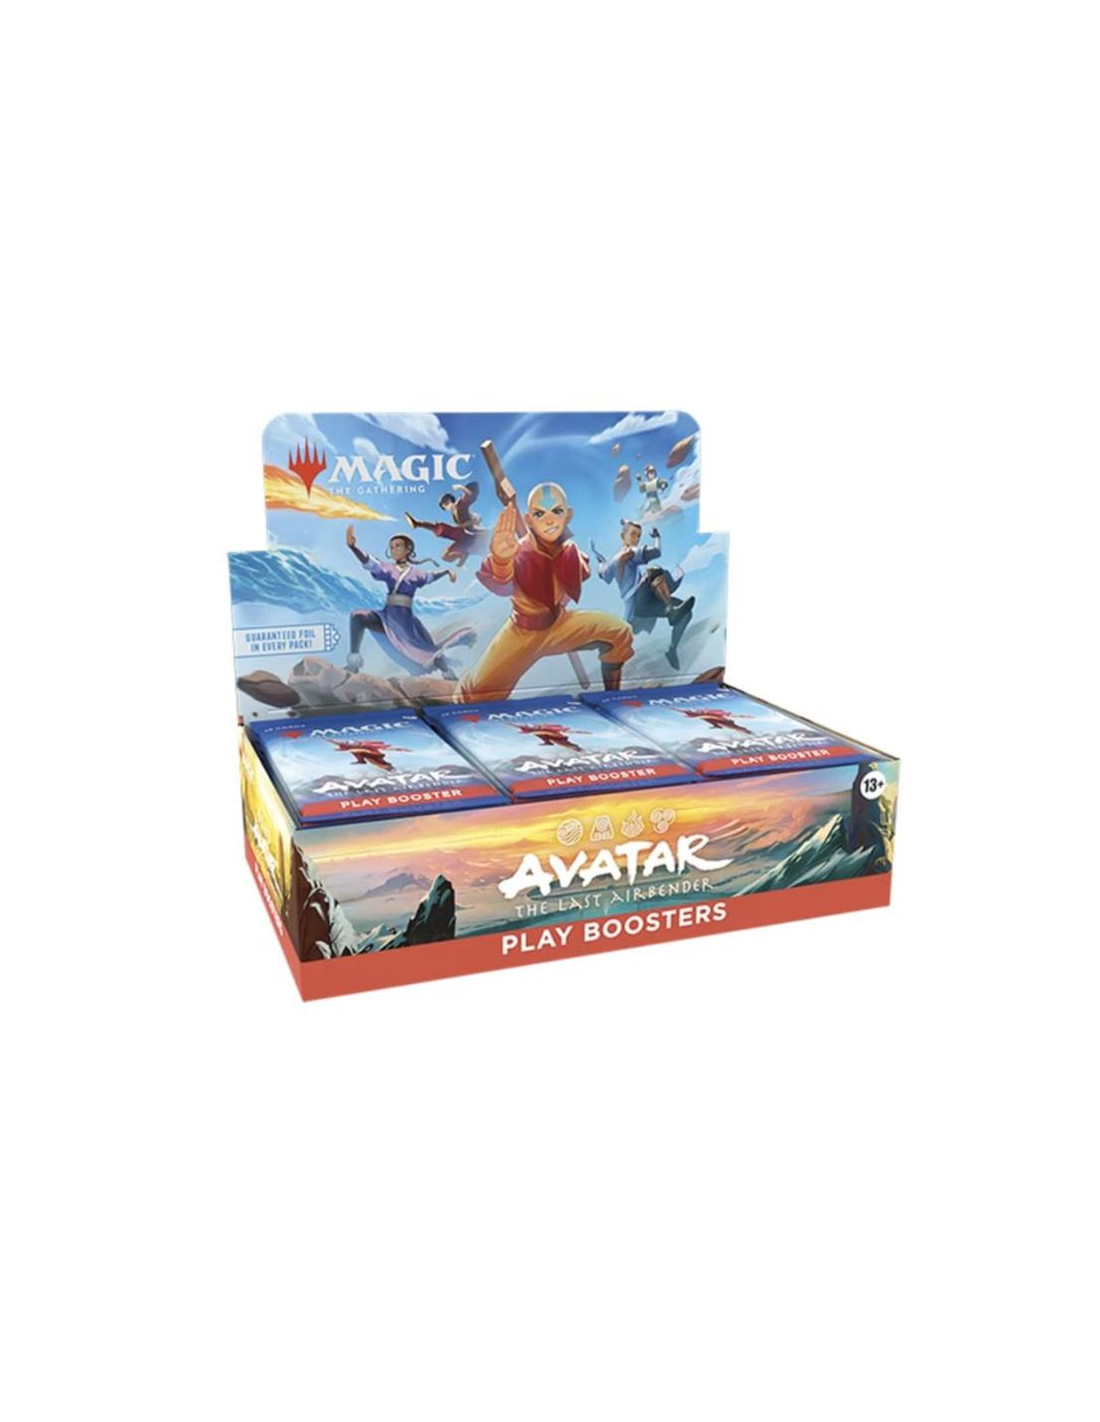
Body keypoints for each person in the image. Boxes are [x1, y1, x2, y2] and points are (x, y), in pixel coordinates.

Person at [454, 482, 633, 702]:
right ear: (529, 520)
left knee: (620, 633)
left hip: (560, 623)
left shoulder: (570, 549)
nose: (549, 520)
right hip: (523, 631)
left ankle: (613, 700)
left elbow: (579, 574)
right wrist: (501, 560)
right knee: (474, 694)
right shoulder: (518, 551)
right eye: (539, 514)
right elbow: (502, 582)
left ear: (568, 515)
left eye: (556, 511)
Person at [344, 526, 474, 679]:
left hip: (406, 621)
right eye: (391, 547)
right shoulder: (388, 568)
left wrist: (446, 572)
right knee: (358, 616)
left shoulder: (416, 573)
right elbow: (371, 563)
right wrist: (353, 547)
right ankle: (353, 663)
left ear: (408, 549)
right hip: (387, 617)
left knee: (424, 650)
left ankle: (447, 672)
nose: (394, 550)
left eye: (398, 546)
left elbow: (431, 577)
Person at [593, 521, 696, 669]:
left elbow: (603, 574)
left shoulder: (611, 563)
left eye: (638, 536)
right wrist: (657, 537)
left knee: (685, 612)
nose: (636, 539)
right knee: (653, 571)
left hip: (645, 603)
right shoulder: (628, 553)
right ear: (623, 536)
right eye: (633, 534)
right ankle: (670, 611)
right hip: (638, 602)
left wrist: (601, 563)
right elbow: (656, 552)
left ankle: (672, 650)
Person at [403, 481, 488, 567]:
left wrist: (461, 487)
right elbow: (470, 517)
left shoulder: (459, 504)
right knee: (445, 556)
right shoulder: (454, 513)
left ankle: (417, 523)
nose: (448, 506)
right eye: (445, 506)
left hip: (472, 534)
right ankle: (462, 554)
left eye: (447, 503)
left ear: (452, 500)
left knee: (444, 529)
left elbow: (469, 496)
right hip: (465, 537)